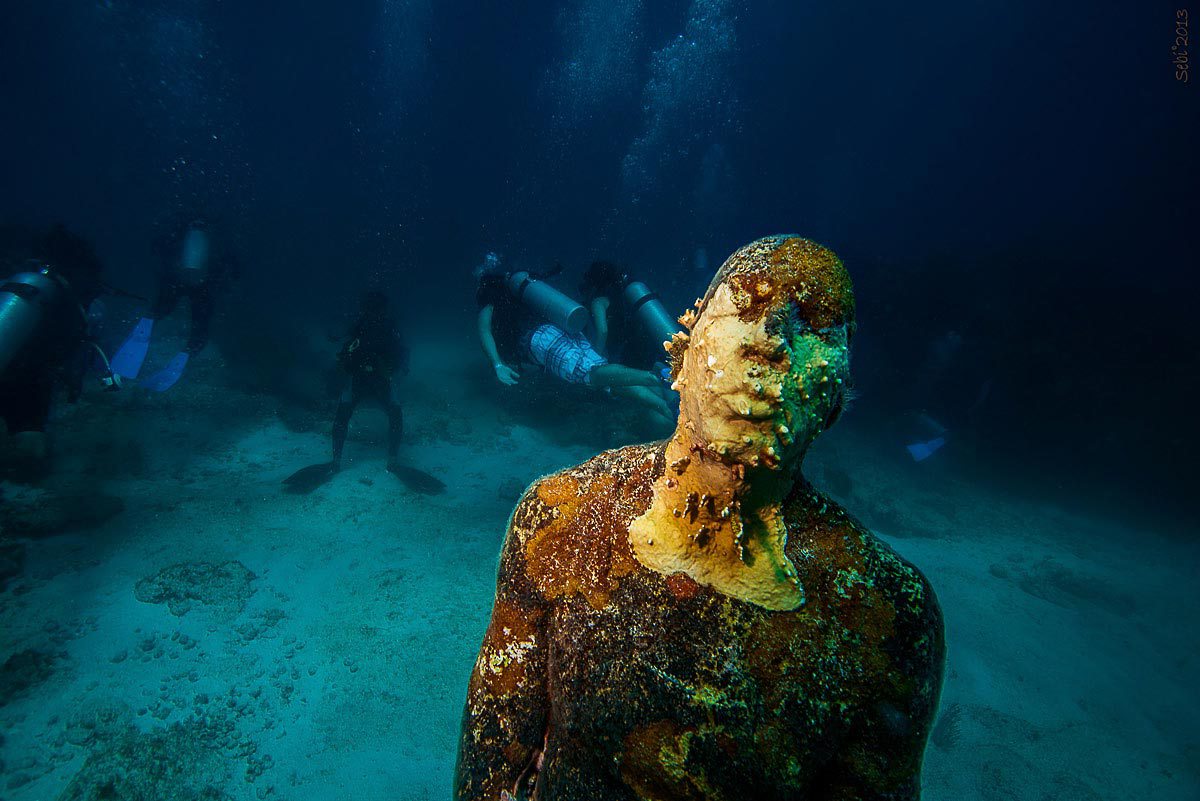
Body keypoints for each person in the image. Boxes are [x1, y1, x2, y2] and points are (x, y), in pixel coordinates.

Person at [456, 236, 945, 800]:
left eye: (814, 325)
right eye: (746, 312)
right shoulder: (556, 517)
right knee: (605, 380)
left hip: (561, 355)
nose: (769, 344)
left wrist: (500, 363)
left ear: (839, 391)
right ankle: (634, 383)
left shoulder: (892, 612)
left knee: (600, 379)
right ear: (685, 350)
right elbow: (495, 746)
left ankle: (631, 381)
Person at [474, 253, 664, 403]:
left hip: (539, 339)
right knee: (601, 373)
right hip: (559, 328)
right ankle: (664, 405)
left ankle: (654, 378)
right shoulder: (522, 289)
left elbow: (484, 330)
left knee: (590, 373)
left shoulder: (490, 295)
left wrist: (497, 364)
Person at [0, 225, 110, 479]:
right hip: (25, 380)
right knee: (32, 449)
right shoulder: (60, 298)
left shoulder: (21, 284)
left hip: (14, 367)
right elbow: (60, 357)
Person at [110, 214, 240, 391]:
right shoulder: (216, 239)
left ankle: (146, 325)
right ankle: (185, 354)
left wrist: (165, 271)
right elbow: (232, 268)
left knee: (160, 311)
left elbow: (157, 247)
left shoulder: (179, 232)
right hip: (203, 286)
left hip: (176, 279)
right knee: (200, 328)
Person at [579, 259, 676, 425]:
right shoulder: (623, 294)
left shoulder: (598, 301)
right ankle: (675, 402)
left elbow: (603, 330)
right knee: (654, 378)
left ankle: (668, 416)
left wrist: (596, 356)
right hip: (644, 343)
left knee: (625, 383)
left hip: (629, 351)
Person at [331, 289, 408, 471]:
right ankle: (393, 461)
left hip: (362, 380)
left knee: (343, 414)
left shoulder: (360, 327)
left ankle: (336, 461)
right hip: (378, 380)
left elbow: (344, 355)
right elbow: (400, 356)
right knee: (395, 414)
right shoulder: (387, 327)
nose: (374, 313)